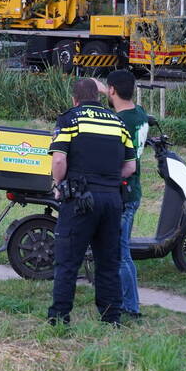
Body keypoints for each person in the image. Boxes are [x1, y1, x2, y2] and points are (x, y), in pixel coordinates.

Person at [48, 77, 136, 326]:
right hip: (112, 200)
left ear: (75, 99)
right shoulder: (118, 122)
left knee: (67, 262)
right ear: (97, 97)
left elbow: (58, 161)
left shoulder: (70, 119)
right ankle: (111, 319)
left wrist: (58, 185)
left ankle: (59, 318)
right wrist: (107, 182)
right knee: (108, 263)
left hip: (79, 199)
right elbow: (130, 166)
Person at [100, 69, 149, 319]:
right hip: (135, 188)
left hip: (124, 191)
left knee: (121, 254)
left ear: (112, 91)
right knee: (119, 250)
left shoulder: (121, 123)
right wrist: (103, 89)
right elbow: (124, 104)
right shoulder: (139, 114)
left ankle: (131, 306)